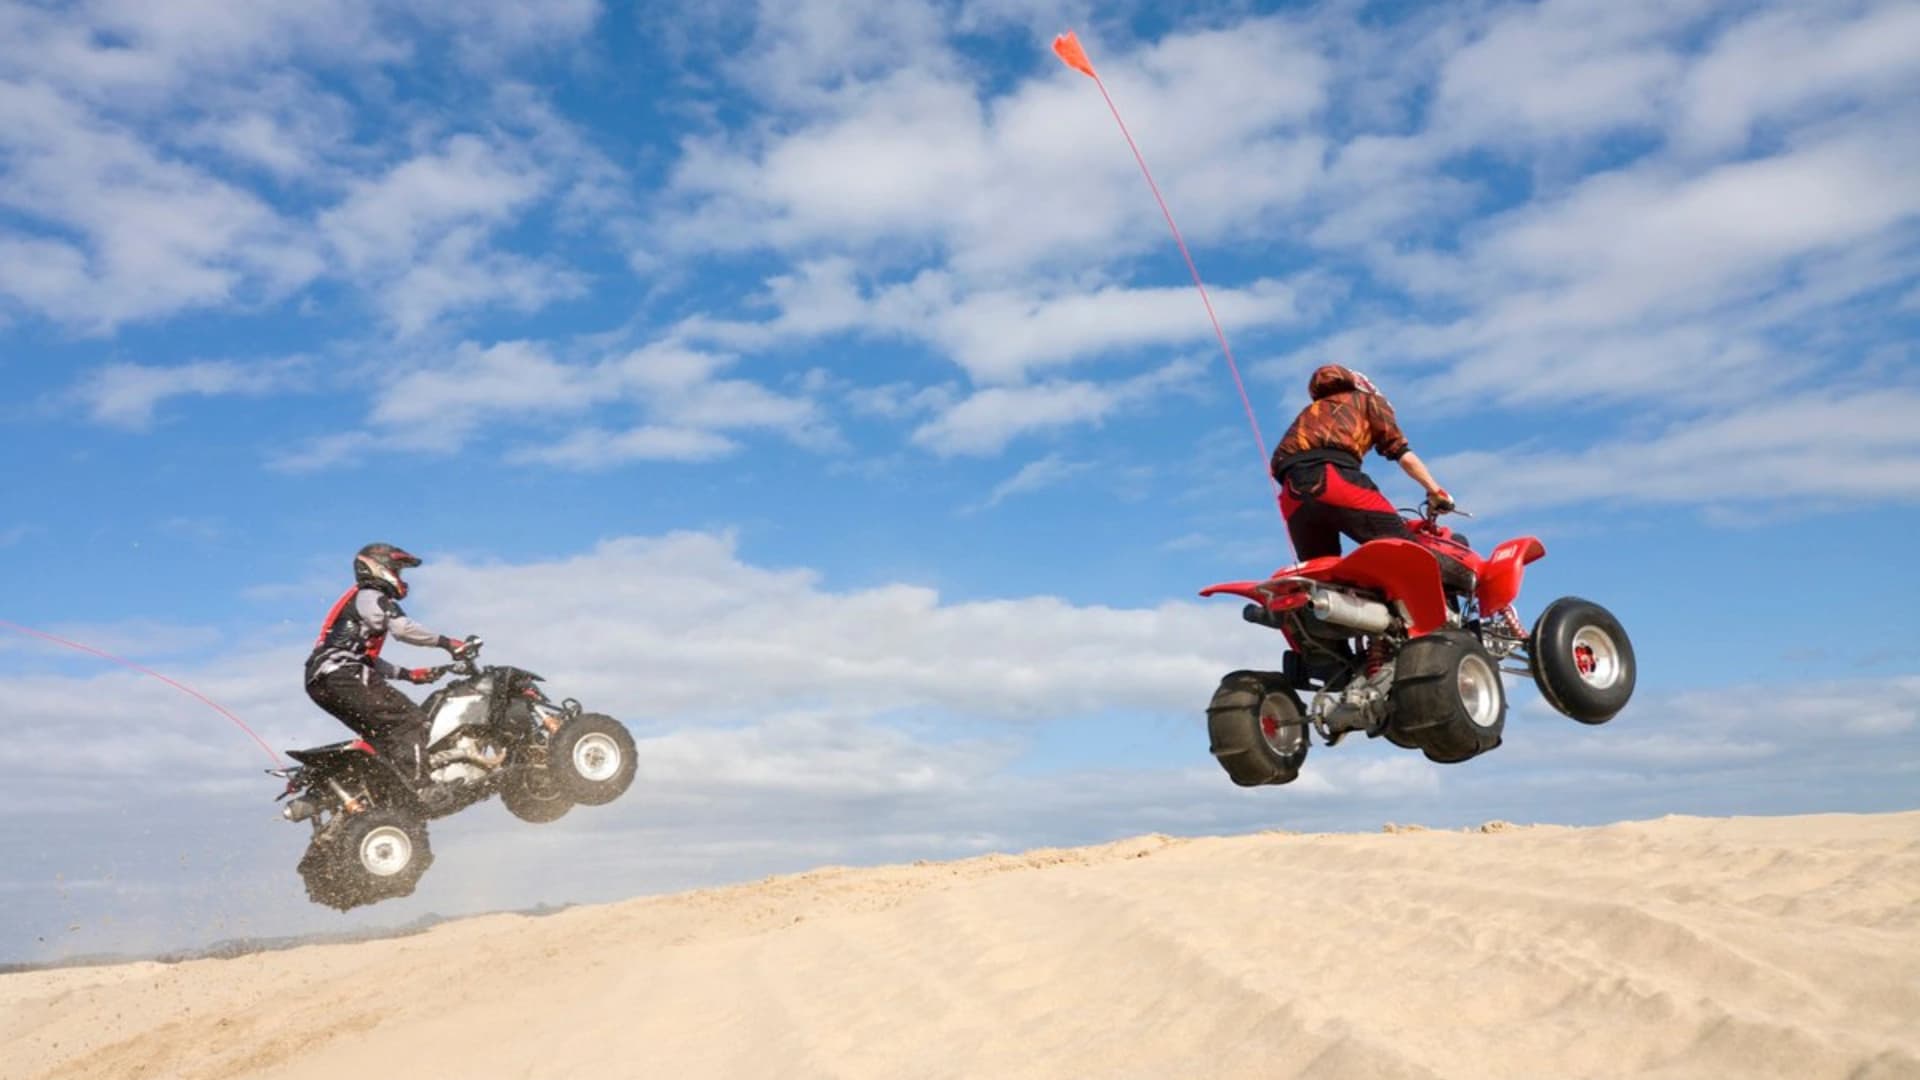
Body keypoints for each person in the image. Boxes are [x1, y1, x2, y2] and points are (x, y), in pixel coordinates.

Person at [1270, 365, 1474, 594]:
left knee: (1323, 580)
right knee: (1411, 554)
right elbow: (1402, 454)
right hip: (1336, 480)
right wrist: (1436, 491)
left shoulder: (1309, 413)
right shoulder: (1368, 400)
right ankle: (1470, 582)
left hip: (1292, 495)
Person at [305, 543, 474, 783]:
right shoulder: (371, 594)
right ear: (379, 567)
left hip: (320, 681)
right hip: (342, 674)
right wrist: (449, 643)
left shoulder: (359, 601)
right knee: (410, 720)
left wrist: (407, 674)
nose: (399, 576)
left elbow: (364, 657)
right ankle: (421, 786)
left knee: (383, 734)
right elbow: (403, 629)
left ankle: (385, 790)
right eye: (397, 569)